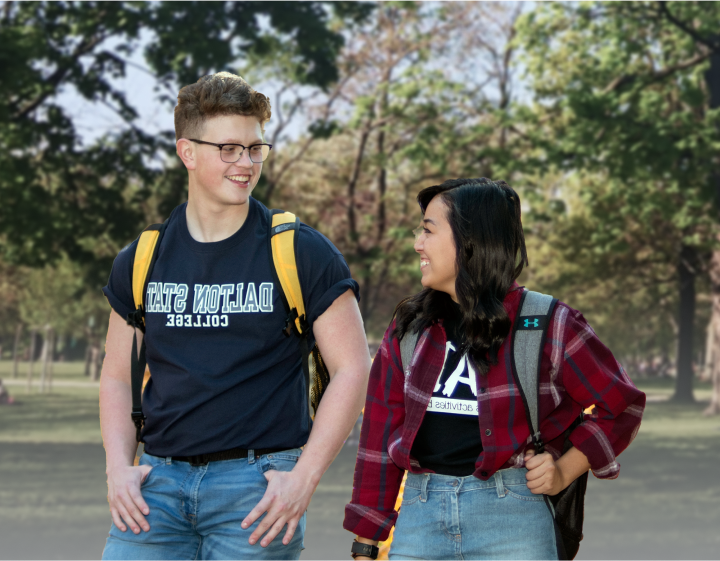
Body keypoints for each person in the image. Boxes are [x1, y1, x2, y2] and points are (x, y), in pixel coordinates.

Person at [100, 72, 371, 560]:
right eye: (228, 149)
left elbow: (353, 371)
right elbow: (118, 377)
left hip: (257, 492)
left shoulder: (301, 252)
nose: (246, 163)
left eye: (254, 148)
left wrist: (302, 480)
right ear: (188, 152)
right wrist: (117, 468)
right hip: (154, 488)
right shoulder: (141, 258)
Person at [344, 178, 645, 560]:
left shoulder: (549, 323)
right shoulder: (409, 327)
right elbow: (379, 436)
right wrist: (366, 541)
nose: (418, 243)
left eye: (428, 230)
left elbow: (621, 405)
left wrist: (565, 470)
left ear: (471, 241)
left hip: (514, 519)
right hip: (419, 519)